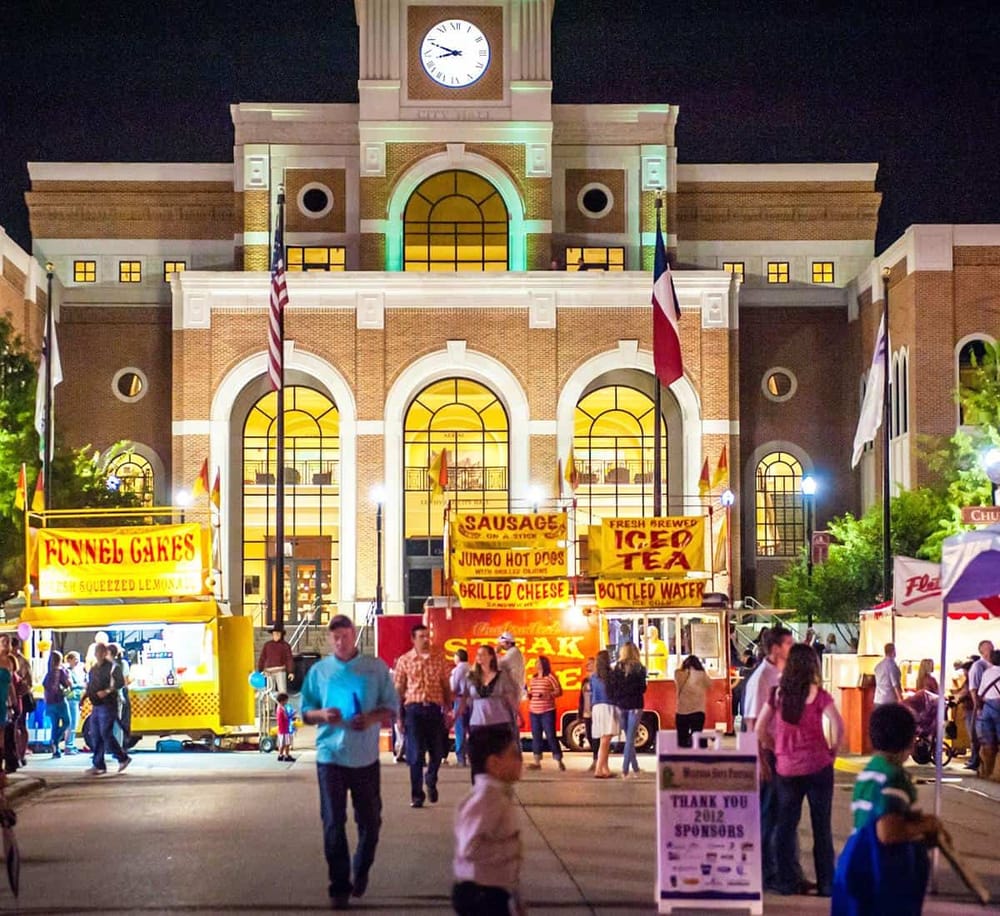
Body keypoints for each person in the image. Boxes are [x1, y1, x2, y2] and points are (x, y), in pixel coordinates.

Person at [300, 614, 398, 911]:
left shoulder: (375, 668)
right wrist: (322, 715)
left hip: (365, 757)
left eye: (345, 636)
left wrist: (369, 718)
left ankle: (362, 867)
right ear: (329, 639)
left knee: (370, 821)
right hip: (330, 756)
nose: (341, 642)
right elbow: (305, 712)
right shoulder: (320, 672)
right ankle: (339, 885)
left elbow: (391, 707)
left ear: (354, 635)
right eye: (335, 637)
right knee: (333, 821)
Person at [831, 703, 948, 915]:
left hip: (855, 862)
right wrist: (925, 826)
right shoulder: (893, 777)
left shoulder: (870, 770)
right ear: (910, 741)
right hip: (881, 870)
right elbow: (888, 832)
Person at [755, 644, 844, 897]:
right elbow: (838, 726)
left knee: (786, 826)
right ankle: (826, 883)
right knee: (821, 828)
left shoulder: (777, 695)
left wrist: (776, 747)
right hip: (819, 768)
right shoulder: (820, 695)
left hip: (787, 770)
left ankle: (786, 883)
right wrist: (832, 751)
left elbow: (760, 729)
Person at [741, 625, 797, 892]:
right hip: (768, 755)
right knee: (769, 815)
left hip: (782, 754)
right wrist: (761, 760)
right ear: (775, 649)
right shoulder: (762, 678)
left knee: (783, 815)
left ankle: (785, 870)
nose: (793, 649)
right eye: (789, 644)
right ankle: (767, 873)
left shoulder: (781, 674)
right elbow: (753, 725)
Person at [452, 725, 525, 916]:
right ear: (494, 763)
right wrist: (509, 850)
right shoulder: (487, 798)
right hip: (480, 894)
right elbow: (470, 847)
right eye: (514, 755)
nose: (520, 761)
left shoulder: (498, 795)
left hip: (493, 890)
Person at [394, 624, 452, 809]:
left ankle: (431, 778)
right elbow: (398, 690)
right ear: (413, 639)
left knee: (437, 752)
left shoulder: (439, 659)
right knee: (416, 754)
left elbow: (446, 686)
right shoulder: (405, 661)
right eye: (421, 636)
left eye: (428, 636)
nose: (426, 640)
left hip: (434, 710)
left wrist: (448, 710)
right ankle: (417, 795)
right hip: (414, 710)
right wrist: (398, 717)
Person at [84, 643, 131, 776]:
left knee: (105, 732)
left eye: (100, 652)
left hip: (108, 704)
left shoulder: (112, 668)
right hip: (96, 704)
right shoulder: (94, 669)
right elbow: (90, 684)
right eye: (97, 652)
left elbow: (120, 683)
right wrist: (85, 696)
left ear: (105, 653)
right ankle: (99, 764)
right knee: (95, 733)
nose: (98, 654)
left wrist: (107, 691)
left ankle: (122, 757)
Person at [609, 642, 646, 777]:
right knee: (630, 739)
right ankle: (625, 770)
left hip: (621, 705)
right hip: (635, 705)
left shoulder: (616, 668)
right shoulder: (640, 668)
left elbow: (612, 687)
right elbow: (643, 688)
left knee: (628, 738)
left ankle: (635, 768)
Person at [526, 656, 564, 771]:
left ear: (544, 664)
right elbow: (531, 691)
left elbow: (558, 691)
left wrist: (548, 695)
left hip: (547, 711)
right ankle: (537, 761)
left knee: (550, 735)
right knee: (536, 736)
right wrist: (529, 695)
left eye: (539, 662)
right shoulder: (533, 678)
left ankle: (558, 760)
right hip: (534, 710)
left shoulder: (550, 677)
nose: (537, 664)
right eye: (536, 662)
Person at [967, 639, 995, 772]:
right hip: (983, 706)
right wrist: (977, 707)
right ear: (982, 651)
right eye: (988, 648)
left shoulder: (993, 666)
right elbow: (974, 689)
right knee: (981, 736)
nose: (991, 650)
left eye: (992, 648)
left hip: (990, 706)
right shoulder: (978, 666)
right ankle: (980, 764)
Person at [590, 649, 617, 779]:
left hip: (597, 707)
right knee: (606, 739)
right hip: (608, 706)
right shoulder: (611, 675)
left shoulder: (593, 677)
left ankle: (605, 768)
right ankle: (599, 768)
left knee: (604, 738)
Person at [974, 648, 1000, 781]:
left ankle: (988, 771)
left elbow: (980, 694)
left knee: (988, 743)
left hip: (987, 708)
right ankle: (998, 773)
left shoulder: (987, 673)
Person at [674, 654, 710, 748]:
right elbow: (709, 685)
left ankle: (683, 758)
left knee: (682, 738)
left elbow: (677, 676)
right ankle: (696, 757)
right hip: (698, 711)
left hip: (682, 710)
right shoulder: (702, 675)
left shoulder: (678, 673)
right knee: (697, 736)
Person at [42, 650, 71, 757]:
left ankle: (56, 749)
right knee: (67, 722)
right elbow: (68, 684)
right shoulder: (62, 671)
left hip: (49, 702)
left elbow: (44, 686)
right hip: (60, 701)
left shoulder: (48, 673)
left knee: (54, 725)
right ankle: (55, 740)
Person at [107, 642, 131, 750]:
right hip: (118, 695)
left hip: (107, 696)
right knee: (118, 722)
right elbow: (125, 681)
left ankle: (109, 746)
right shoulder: (123, 663)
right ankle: (118, 746)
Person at [450, 649, 471, 767]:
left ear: (458, 657)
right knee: (470, 729)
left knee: (460, 730)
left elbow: (454, 686)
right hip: (472, 701)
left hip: (460, 699)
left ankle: (461, 757)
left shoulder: (458, 669)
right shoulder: (471, 668)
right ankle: (472, 756)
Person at [258, 628, 295, 695]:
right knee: (269, 692)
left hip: (280, 671)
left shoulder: (285, 645)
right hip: (268, 672)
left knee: (282, 691)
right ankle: (271, 705)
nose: (276, 635)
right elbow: (262, 657)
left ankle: (282, 705)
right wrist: (260, 670)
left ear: (281, 635)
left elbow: (289, 659)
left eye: (278, 634)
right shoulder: (267, 645)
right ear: (272, 635)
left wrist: (291, 671)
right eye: (274, 634)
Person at [578, 658, 598, 772]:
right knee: (589, 735)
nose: (587, 666)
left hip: (595, 711)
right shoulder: (585, 681)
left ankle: (596, 760)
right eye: (587, 664)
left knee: (596, 736)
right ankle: (596, 757)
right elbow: (581, 697)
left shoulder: (598, 679)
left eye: (590, 664)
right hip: (586, 711)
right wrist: (580, 712)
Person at [64, 651, 85, 754]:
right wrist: (82, 685)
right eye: (75, 658)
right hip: (71, 699)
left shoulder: (74, 671)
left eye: (78, 658)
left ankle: (70, 744)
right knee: (72, 723)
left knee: (73, 723)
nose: (77, 661)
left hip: (75, 699)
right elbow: (71, 685)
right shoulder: (68, 671)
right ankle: (69, 745)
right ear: (69, 660)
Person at [497, 633, 525, 700]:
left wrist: (496, 652)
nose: (501, 645)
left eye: (502, 643)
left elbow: (499, 665)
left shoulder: (513, 652)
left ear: (509, 643)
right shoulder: (513, 652)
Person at [275, 691, 296, 762]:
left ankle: (281, 755)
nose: (287, 702)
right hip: (284, 729)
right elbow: (286, 717)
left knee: (283, 743)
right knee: (286, 743)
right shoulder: (282, 709)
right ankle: (286, 755)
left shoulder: (280, 708)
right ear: (282, 700)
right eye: (286, 700)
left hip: (283, 728)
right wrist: (293, 714)